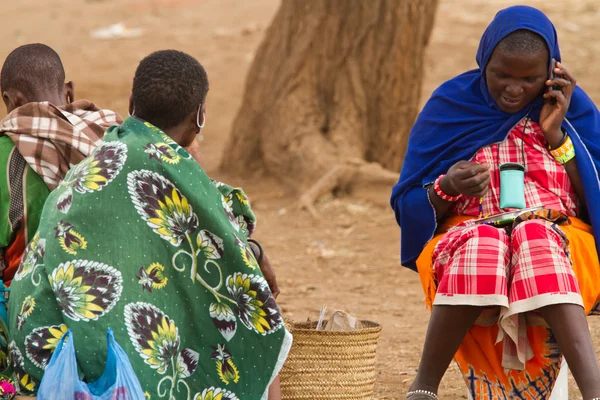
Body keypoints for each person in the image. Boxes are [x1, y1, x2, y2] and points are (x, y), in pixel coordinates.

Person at [7, 49, 291, 399]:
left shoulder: (99, 155)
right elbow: (228, 237)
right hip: (92, 363)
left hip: (36, 349)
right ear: (199, 116)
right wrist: (256, 253)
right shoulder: (173, 165)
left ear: (131, 102)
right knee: (260, 321)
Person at [391, 6, 600, 400]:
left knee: (536, 237)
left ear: (552, 73)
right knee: (482, 245)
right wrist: (447, 186)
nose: (514, 88)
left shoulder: (572, 110)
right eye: (501, 74)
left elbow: (596, 195)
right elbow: (408, 202)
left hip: (560, 235)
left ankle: (593, 391)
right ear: (484, 61)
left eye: (530, 79)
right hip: (467, 232)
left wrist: (556, 135)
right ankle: (424, 387)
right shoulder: (451, 105)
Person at [0, 43, 121, 287]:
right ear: (70, 92)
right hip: (111, 288)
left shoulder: (5, 155)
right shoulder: (113, 137)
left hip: (28, 302)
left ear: (9, 100)